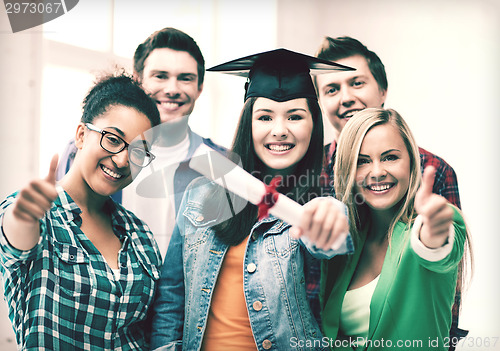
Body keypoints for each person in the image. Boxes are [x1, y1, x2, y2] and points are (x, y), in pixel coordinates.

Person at [150, 48, 354, 351]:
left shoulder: (325, 199)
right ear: (249, 123)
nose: (280, 130)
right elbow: (171, 297)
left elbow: (329, 236)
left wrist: (330, 218)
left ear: (314, 124)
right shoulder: (200, 194)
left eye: (295, 116)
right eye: (265, 117)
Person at [313, 36, 466, 347]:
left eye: (357, 83)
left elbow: (441, 265)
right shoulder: (310, 174)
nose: (345, 97)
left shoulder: (432, 169)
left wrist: (435, 229)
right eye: (332, 89)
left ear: (382, 90)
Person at [0, 72, 162, 350]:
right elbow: (15, 240)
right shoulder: (39, 216)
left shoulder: (141, 236)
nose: (123, 160)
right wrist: (22, 216)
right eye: (112, 139)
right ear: (82, 135)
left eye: (138, 152)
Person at [57, 27, 225, 259]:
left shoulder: (220, 165)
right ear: (138, 79)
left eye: (185, 78)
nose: (172, 89)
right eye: (160, 76)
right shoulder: (85, 151)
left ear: (200, 88)